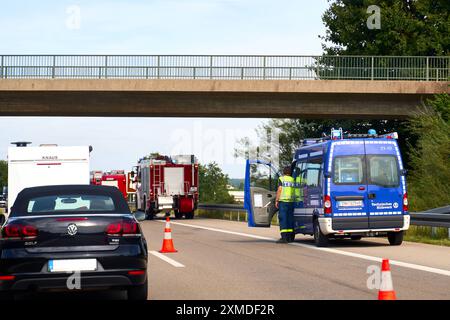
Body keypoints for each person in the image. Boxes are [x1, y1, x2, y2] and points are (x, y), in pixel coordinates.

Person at [275, 166, 295, 243]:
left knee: (283, 219)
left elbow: (280, 189)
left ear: (284, 172)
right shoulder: (293, 180)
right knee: (290, 219)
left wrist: (277, 200)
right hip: (291, 202)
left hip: (283, 202)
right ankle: (290, 238)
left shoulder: (281, 179)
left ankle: (284, 238)